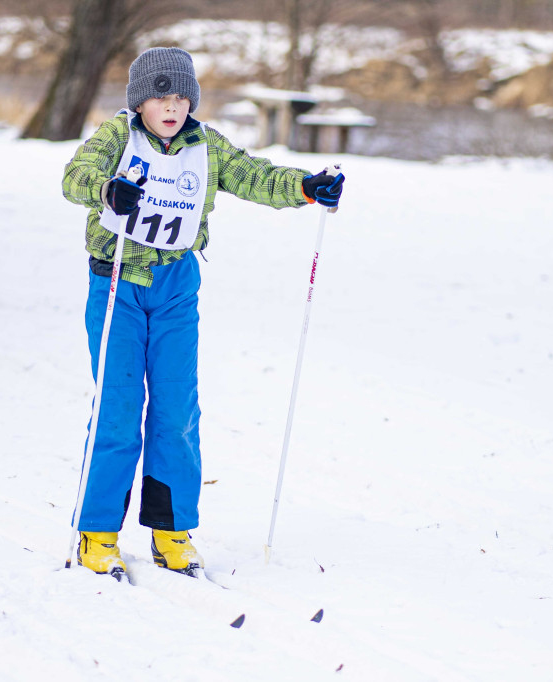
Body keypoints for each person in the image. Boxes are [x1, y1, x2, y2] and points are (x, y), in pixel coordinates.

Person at [61, 47, 344, 579]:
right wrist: (106, 190)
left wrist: (306, 187)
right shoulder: (117, 137)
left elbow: (252, 174)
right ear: (139, 100)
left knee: (176, 410)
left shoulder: (205, 144)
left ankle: (172, 531)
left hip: (175, 286)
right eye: (160, 96)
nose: (172, 106)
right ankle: (97, 534)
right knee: (118, 411)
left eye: (181, 96)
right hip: (118, 281)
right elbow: (75, 176)